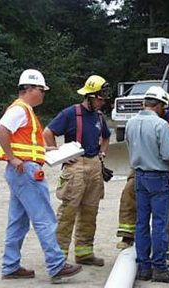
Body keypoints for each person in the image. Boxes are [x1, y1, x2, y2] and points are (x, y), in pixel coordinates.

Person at [0, 69, 82, 282]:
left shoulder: (24, 111)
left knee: (18, 222)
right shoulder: (21, 110)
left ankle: (10, 266)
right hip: (25, 171)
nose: (43, 94)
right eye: (42, 90)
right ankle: (56, 265)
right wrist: (13, 158)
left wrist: (49, 151)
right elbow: (1, 129)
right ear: (31, 89)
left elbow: (26, 144)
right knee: (44, 218)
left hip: (21, 171)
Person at [43, 75, 111, 267]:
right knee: (67, 214)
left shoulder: (99, 117)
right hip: (75, 168)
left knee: (90, 212)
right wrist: (59, 154)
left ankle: (84, 253)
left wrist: (102, 153)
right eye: (100, 98)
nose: (102, 102)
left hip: (94, 166)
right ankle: (58, 259)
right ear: (89, 96)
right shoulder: (70, 113)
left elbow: (106, 138)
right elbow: (48, 132)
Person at [117, 93, 169, 267]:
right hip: (159, 173)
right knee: (159, 221)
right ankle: (158, 264)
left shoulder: (133, 122)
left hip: (145, 172)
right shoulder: (161, 124)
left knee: (145, 219)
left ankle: (150, 261)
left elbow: (130, 145)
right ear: (161, 105)